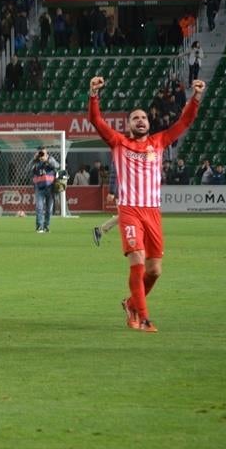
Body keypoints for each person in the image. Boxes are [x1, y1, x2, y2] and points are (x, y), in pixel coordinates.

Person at [88, 75, 205, 333]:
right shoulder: (119, 143)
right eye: (135, 118)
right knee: (137, 260)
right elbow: (96, 121)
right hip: (129, 211)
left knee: (154, 271)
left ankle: (131, 304)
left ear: (148, 122)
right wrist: (94, 95)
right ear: (128, 125)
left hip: (153, 212)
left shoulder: (159, 142)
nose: (140, 120)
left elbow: (185, 121)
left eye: (143, 117)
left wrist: (195, 97)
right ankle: (143, 317)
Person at [31, 149, 60, 233]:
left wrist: (48, 160)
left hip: (50, 187)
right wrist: (34, 159)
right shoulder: (36, 162)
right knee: (39, 208)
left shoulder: (51, 159)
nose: (41, 155)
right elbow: (27, 169)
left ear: (47, 154)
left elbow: (57, 166)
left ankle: (46, 226)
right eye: (40, 153)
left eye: (43, 153)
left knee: (49, 209)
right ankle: (39, 227)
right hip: (39, 188)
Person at [92, 168, 120, 247]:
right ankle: (101, 230)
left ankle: (100, 230)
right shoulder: (121, 157)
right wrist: (112, 191)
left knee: (126, 216)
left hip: (132, 192)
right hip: (123, 192)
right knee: (126, 215)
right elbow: (115, 173)